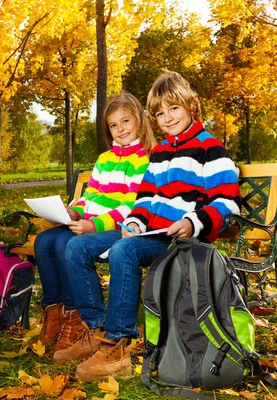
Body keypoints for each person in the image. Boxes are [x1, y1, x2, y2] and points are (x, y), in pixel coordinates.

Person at [56, 70, 241, 382]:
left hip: (186, 239)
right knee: (76, 247)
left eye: (174, 109)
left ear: (190, 106)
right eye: (160, 112)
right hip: (155, 236)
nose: (167, 118)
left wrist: (192, 221)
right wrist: (133, 221)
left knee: (123, 250)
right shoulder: (161, 153)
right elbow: (144, 199)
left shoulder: (211, 149)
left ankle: (118, 344)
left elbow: (228, 202)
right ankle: (97, 328)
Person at [33, 91, 156, 353]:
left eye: (125, 121)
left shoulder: (142, 159)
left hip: (118, 229)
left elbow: (131, 207)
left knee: (65, 244)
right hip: (88, 224)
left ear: (139, 121)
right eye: (113, 125)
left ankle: (77, 316)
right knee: (44, 240)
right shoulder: (104, 159)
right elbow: (89, 196)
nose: (120, 129)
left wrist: (93, 226)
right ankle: (55, 313)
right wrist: (74, 212)